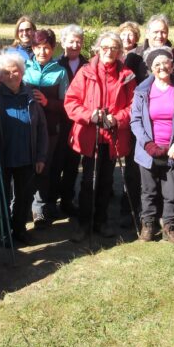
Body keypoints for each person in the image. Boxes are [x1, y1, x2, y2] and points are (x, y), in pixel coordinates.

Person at [64, 32, 136, 241]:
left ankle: (101, 222)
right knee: (88, 181)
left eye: (114, 48)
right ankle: (84, 224)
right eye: (105, 47)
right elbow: (71, 102)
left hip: (113, 136)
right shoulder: (85, 72)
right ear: (97, 49)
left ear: (120, 51)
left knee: (106, 181)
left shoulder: (128, 75)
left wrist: (117, 118)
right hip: (89, 136)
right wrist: (89, 116)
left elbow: (135, 106)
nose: (109, 51)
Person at [130, 48, 174, 243]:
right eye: (157, 64)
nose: (162, 67)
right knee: (148, 191)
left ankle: (169, 227)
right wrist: (147, 144)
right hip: (148, 151)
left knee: (172, 191)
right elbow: (135, 120)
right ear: (151, 68)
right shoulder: (142, 91)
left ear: (172, 65)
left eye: (165, 63)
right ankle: (148, 225)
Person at [0, 53, 48, 245]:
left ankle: (19, 228)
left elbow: (42, 127)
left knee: (24, 196)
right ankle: (5, 232)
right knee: (2, 197)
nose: (11, 75)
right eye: (6, 72)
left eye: (15, 71)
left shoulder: (31, 94)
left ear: (22, 72)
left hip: (27, 156)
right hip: (2, 157)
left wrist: (41, 157)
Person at [24, 29, 69, 225]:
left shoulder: (60, 71)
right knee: (24, 168)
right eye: (38, 47)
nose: (42, 52)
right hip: (25, 127)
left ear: (53, 48)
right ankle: (22, 206)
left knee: (44, 168)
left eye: (47, 48)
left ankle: (39, 209)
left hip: (50, 129)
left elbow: (67, 104)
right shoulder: (23, 68)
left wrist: (47, 102)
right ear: (33, 48)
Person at [52, 25, 89, 216]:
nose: (75, 45)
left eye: (78, 41)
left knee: (73, 164)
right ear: (63, 42)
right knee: (56, 162)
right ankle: (50, 202)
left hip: (79, 122)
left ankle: (67, 200)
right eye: (71, 41)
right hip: (59, 122)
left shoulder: (88, 66)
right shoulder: (56, 64)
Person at [117, 21, 149, 225]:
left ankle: (130, 203)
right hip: (117, 112)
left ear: (137, 37)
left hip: (134, 111)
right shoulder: (114, 53)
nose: (127, 38)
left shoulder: (140, 56)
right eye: (124, 34)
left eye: (131, 34)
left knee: (132, 161)